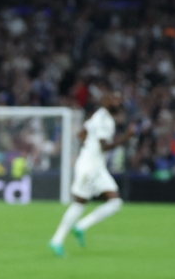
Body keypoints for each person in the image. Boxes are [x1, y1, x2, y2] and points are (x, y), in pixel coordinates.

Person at [49, 92, 134, 257]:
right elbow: (105, 146)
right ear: (107, 102)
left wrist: (89, 147)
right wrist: (126, 137)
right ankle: (57, 241)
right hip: (90, 167)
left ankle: (80, 227)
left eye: (118, 99)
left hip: (96, 165)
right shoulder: (104, 120)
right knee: (79, 203)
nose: (117, 101)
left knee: (115, 203)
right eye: (113, 99)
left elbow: (81, 133)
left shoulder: (99, 115)